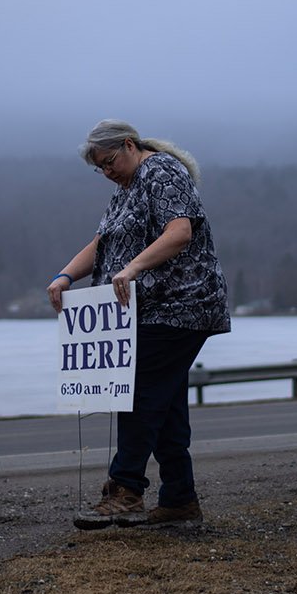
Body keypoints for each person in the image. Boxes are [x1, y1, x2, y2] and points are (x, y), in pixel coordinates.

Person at [48, 119, 231, 528]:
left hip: (183, 304)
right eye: (101, 168)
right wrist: (65, 277)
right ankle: (179, 501)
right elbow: (103, 243)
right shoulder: (125, 191)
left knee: (140, 391)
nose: (107, 172)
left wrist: (130, 269)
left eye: (110, 162)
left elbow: (179, 232)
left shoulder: (162, 172)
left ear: (129, 145)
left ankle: (126, 489)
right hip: (146, 311)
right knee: (163, 403)